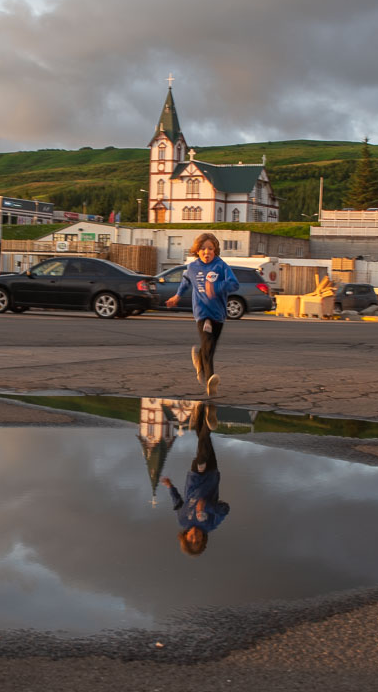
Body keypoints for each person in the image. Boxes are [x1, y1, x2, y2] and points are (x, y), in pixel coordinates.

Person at [164, 232, 239, 397]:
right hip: (202, 312)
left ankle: (199, 363)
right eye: (203, 249)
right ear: (197, 251)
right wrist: (177, 297)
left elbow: (234, 285)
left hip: (218, 313)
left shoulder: (221, 266)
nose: (207, 252)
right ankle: (210, 379)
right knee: (208, 343)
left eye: (210, 249)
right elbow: (185, 283)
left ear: (215, 250)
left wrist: (217, 287)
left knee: (209, 347)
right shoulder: (192, 267)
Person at [160, 402, 229, 556]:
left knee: (202, 454)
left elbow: (178, 504)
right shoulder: (210, 524)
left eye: (190, 539)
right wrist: (207, 507)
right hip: (211, 476)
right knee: (204, 443)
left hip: (195, 478)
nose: (194, 537)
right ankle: (202, 412)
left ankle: (208, 419)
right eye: (197, 541)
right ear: (203, 540)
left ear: (185, 536)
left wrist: (170, 487)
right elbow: (225, 509)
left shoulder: (183, 520)